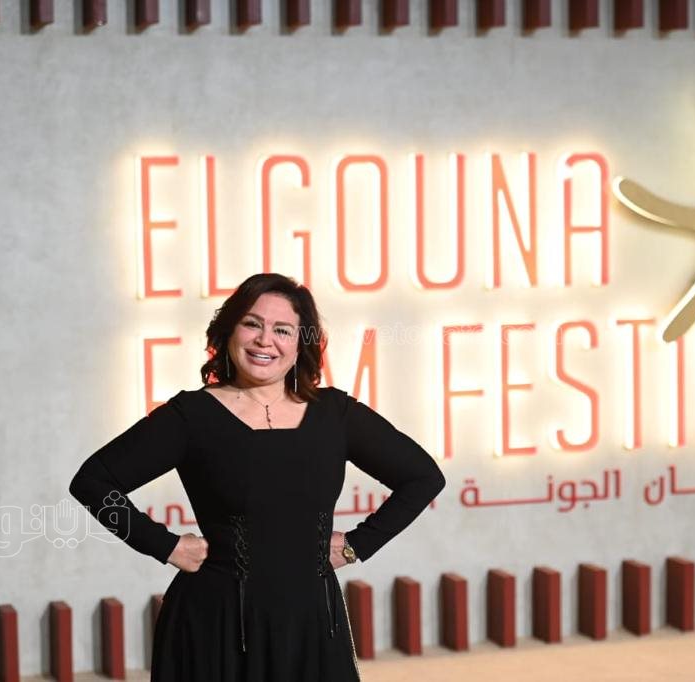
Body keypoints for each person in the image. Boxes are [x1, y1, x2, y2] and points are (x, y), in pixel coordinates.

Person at [68, 273, 446, 681]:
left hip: (312, 624)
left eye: (282, 330)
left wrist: (359, 545)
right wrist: (165, 545)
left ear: (301, 342)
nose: (265, 340)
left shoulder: (335, 414)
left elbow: (423, 477)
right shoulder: (191, 416)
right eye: (252, 324)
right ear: (229, 331)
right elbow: (92, 482)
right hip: (216, 625)